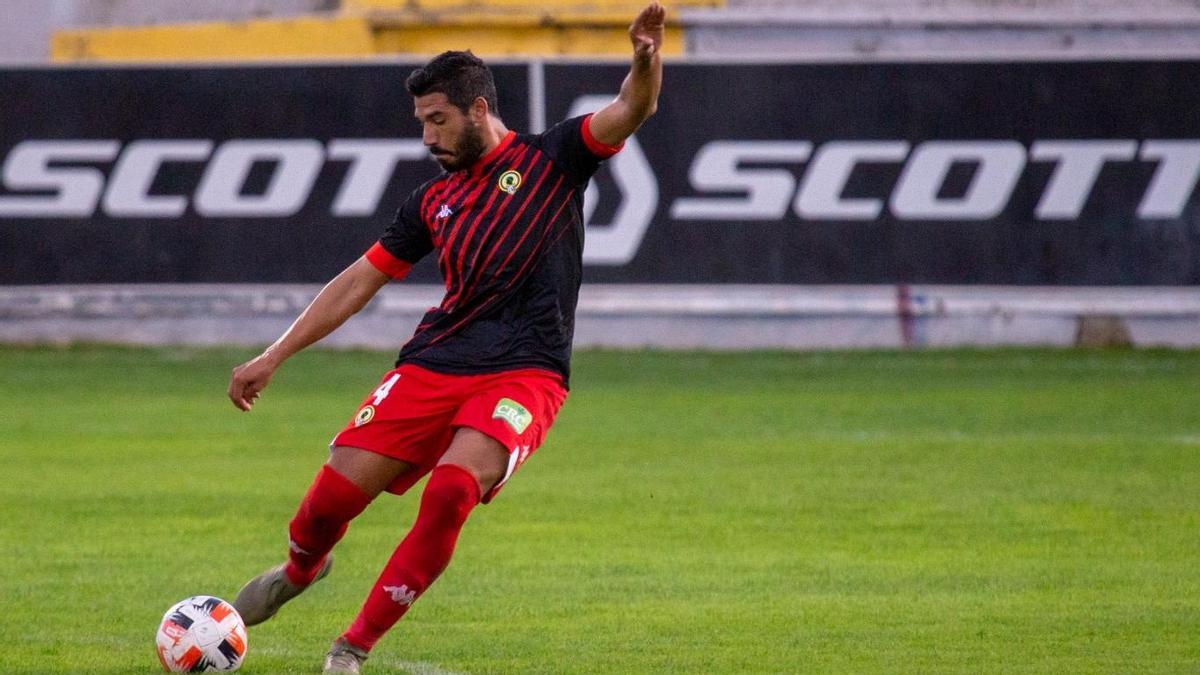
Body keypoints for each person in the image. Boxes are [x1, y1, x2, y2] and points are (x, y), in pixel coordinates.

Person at [225, 3, 664, 673]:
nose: (428, 137)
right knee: (329, 503)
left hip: (527, 373)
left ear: (479, 110)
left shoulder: (554, 158)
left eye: (439, 121)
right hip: (436, 363)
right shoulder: (433, 202)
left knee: (452, 489)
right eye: (421, 123)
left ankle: (352, 646)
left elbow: (630, 110)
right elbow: (358, 281)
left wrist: (644, 62)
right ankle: (300, 568)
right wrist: (275, 353)